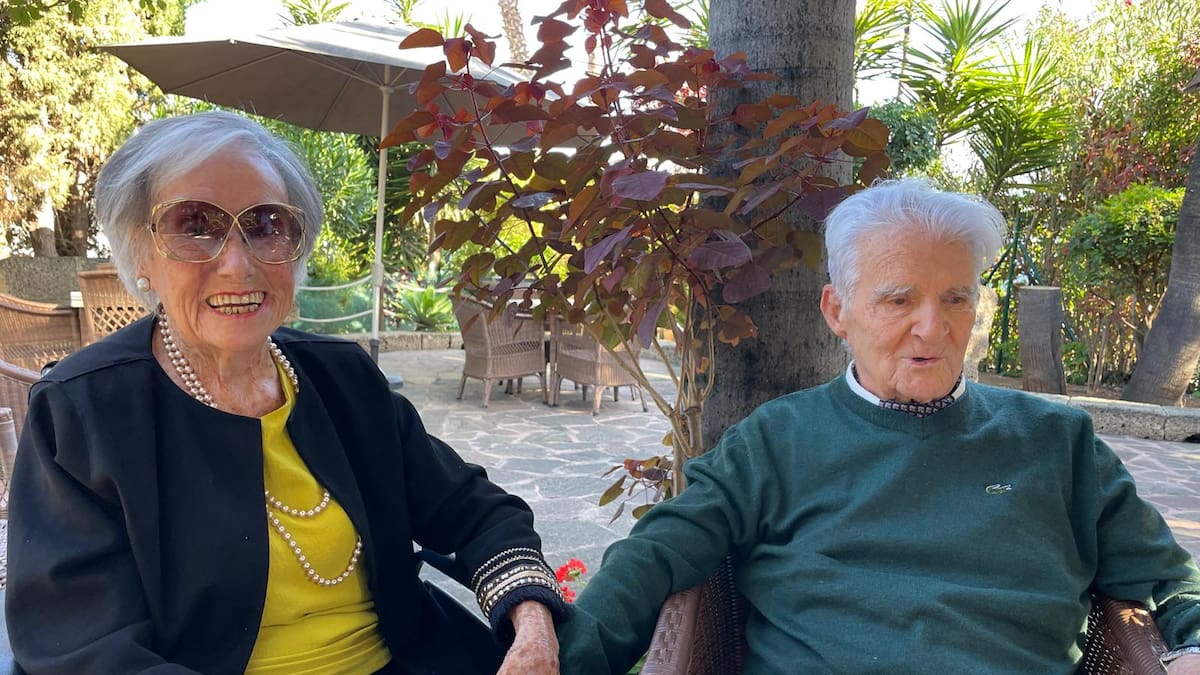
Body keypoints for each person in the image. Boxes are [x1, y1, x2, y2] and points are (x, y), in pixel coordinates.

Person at [557, 178, 1200, 674]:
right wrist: (562, 657)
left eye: (956, 298)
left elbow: (1170, 583)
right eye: (899, 300)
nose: (933, 327)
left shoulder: (1058, 445)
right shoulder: (777, 441)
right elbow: (660, 551)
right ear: (838, 311)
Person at [6, 110, 567, 675]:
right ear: (141, 249)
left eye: (266, 224)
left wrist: (532, 625)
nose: (237, 262)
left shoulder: (343, 380)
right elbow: (83, 648)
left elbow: (475, 510)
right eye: (195, 223)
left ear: (296, 249)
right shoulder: (82, 413)